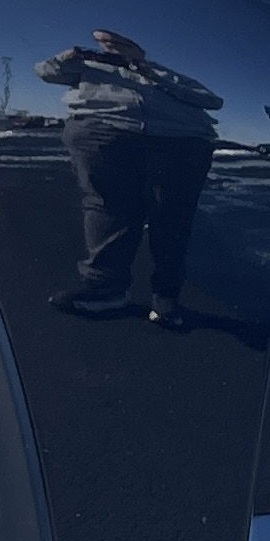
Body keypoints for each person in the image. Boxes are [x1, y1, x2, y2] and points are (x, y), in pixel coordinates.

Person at [37, 30, 224, 326]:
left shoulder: (164, 73)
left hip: (180, 140)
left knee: (173, 214)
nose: (112, 49)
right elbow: (46, 72)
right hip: (107, 131)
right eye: (106, 44)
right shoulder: (88, 68)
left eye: (119, 45)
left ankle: (167, 296)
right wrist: (76, 54)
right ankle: (105, 289)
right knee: (107, 207)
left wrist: (145, 68)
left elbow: (212, 101)